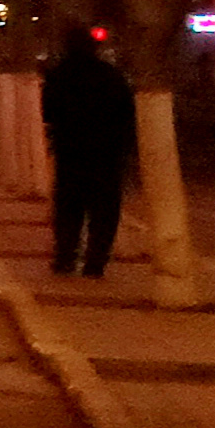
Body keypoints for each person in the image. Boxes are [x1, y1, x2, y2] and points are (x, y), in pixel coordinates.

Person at [44, 27, 138, 277]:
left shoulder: (59, 75)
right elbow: (127, 113)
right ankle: (95, 263)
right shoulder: (110, 76)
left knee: (68, 210)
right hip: (107, 155)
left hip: (70, 153)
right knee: (104, 212)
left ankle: (65, 258)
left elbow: (48, 111)